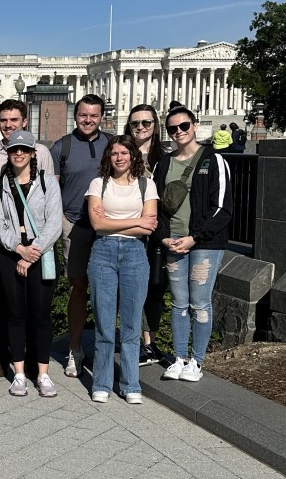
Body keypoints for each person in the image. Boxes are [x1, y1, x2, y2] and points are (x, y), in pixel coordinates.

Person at [155, 106, 233, 383]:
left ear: (195, 125)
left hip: (205, 244)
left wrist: (194, 237)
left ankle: (196, 361)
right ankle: (179, 357)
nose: (179, 132)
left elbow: (222, 209)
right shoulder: (163, 164)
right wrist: (164, 237)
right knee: (179, 303)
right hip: (173, 241)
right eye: (173, 128)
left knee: (200, 303)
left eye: (184, 126)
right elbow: (157, 207)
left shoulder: (214, 160)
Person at [86, 136, 159, 404]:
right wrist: (136, 221)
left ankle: (130, 384)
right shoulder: (98, 184)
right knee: (105, 324)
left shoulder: (146, 185)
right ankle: (102, 382)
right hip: (103, 251)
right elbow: (97, 224)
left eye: (124, 152)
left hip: (134, 253)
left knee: (131, 324)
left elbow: (149, 226)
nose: (119, 157)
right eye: (114, 153)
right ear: (109, 157)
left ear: (133, 156)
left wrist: (115, 221)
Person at [0, 130, 62, 398]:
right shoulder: (1, 182)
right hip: (12, 254)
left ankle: (43, 374)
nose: (18, 154)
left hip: (41, 254)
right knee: (15, 315)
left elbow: (54, 222)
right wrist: (18, 249)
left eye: (23, 149)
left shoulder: (46, 182)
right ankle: (19, 374)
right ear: (8, 153)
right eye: (13, 150)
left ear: (33, 152)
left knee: (41, 316)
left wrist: (32, 251)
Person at [49, 94, 110, 378]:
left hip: (108, 228)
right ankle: (75, 349)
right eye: (84, 115)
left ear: (101, 117)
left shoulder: (112, 145)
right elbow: (52, 190)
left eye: (94, 115)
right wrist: (61, 222)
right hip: (74, 226)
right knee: (77, 288)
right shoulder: (62, 147)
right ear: (76, 116)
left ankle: (104, 348)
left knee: (106, 289)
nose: (88, 120)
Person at [124, 104, 171, 366]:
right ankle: (141, 342)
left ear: (155, 125)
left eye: (147, 123)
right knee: (134, 289)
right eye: (136, 123)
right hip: (131, 230)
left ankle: (151, 342)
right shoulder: (120, 154)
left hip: (159, 229)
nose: (141, 127)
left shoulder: (165, 156)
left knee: (156, 286)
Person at [0, 99, 55, 180]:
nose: (8, 125)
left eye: (14, 120)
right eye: (3, 120)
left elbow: (49, 187)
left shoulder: (41, 152)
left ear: (24, 122)